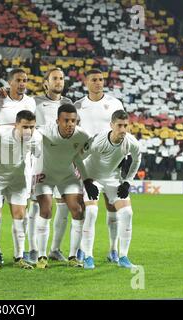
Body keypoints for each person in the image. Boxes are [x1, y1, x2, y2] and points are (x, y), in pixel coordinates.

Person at [34, 103, 96, 269]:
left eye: (73, 121)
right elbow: (25, 128)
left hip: (67, 175)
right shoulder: (45, 131)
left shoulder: (82, 136)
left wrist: (87, 180)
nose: (70, 124)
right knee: (46, 209)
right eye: (66, 120)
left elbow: (78, 158)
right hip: (45, 175)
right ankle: (41, 256)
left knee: (78, 210)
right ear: (57, 121)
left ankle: (73, 256)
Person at [74, 68, 124, 263]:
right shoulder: (78, 105)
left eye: (101, 79)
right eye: (94, 79)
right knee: (87, 208)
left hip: (111, 162)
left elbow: (122, 129)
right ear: (86, 82)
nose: (98, 83)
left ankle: (113, 249)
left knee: (112, 207)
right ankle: (84, 250)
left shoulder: (114, 103)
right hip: (87, 163)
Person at [80, 110, 141, 269]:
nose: (122, 129)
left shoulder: (131, 142)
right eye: (119, 125)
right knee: (92, 212)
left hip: (113, 179)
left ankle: (123, 257)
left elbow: (136, 160)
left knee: (127, 213)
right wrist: (86, 181)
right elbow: (79, 159)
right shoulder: (98, 141)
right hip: (93, 178)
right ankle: (88, 256)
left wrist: (127, 182)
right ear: (111, 125)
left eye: (125, 126)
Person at [0, 68, 36, 264]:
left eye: (25, 80)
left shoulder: (30, 102)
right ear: (10, 82)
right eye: (18, 80)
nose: (22, 83)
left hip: (20, 165)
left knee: (19, 212)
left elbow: (32, 130)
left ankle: (19, 255)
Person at [26, 67, 73, 264]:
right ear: (46, 82)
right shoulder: (34, 102)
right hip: (40, 160)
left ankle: (55, 249)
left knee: (63, 206)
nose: (59, 81)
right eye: (54, 78)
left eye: (61, 78)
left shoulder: (69, 103)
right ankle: (33, 249)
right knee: (37, 205)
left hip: (63, 161)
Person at [0, 110, 42, 271]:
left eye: (31, 127)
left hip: (18, 179)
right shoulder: (0, 134)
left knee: (20, 216)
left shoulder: (37, 138)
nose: (28, 131)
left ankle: (18, 257)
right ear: (16, 125)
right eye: (24, 126)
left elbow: (37, 158)